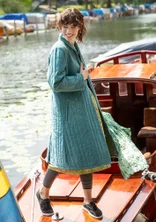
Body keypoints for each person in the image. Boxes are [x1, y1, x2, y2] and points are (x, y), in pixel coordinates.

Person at [36, 8, 148, 219]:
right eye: (65, 27)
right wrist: (83, 76)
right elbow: (56, 83)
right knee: (61, 157)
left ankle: (88, 202)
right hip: (69, 115)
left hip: (82, 111)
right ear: (59, 27)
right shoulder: (59, 49)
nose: (69, 31)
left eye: (73, 27)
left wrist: (87, 71)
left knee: (86, 153)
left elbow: (76, 72)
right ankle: (43, 194)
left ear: (80, 27)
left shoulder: (72, 45)